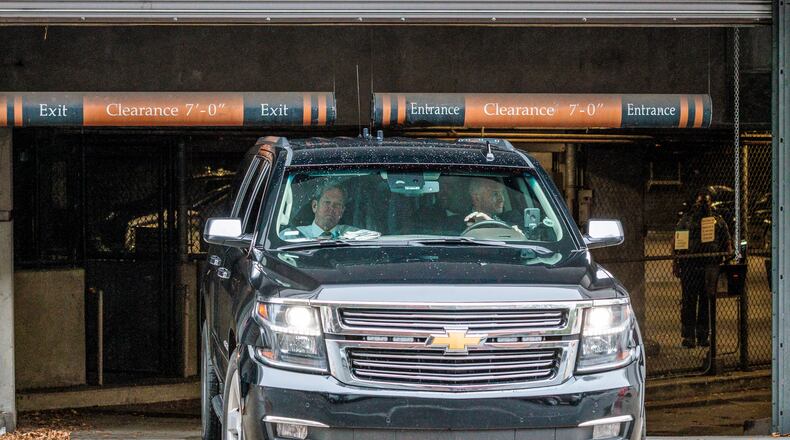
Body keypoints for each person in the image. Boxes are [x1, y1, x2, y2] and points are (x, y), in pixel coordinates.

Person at [673, 188, 733, 349]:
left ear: (711, 203)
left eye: (706, 202)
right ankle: (689, 336)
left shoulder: (717, 220)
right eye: (700, 202)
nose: (703, 205)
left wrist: (727, 255)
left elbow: (727, 240)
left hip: (710, 266)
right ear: (695, 203)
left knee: (706, 302)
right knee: (689, 302)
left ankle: (703, 336)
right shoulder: (686, 220)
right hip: (690, 266)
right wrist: (676, 263)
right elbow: (677, 242)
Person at [285, 181, 358, 239]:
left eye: (337, 205)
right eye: (327, 202)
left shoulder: (354, 236)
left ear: (342, 211)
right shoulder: (292, 236)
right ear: (315, 206)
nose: (331, 208)